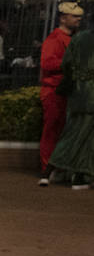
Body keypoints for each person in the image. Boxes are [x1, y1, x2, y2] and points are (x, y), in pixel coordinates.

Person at [39, 2, 84, 186]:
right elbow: (47, 64)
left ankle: (57, 168)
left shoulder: (71, 38)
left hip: (66, 91)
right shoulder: (54, 39)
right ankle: (47, 168)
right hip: (54, 91)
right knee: (53, 130)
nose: (78, 20)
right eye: (74, 17)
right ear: (63, 18)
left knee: (62, 131)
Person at [47, 25, 93, 190]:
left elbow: (67, 63)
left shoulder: (79, 37)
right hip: (90, 94)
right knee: (85, 136)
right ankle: (78, 175)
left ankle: (59, 171)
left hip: (77, 93)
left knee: (73, 131)